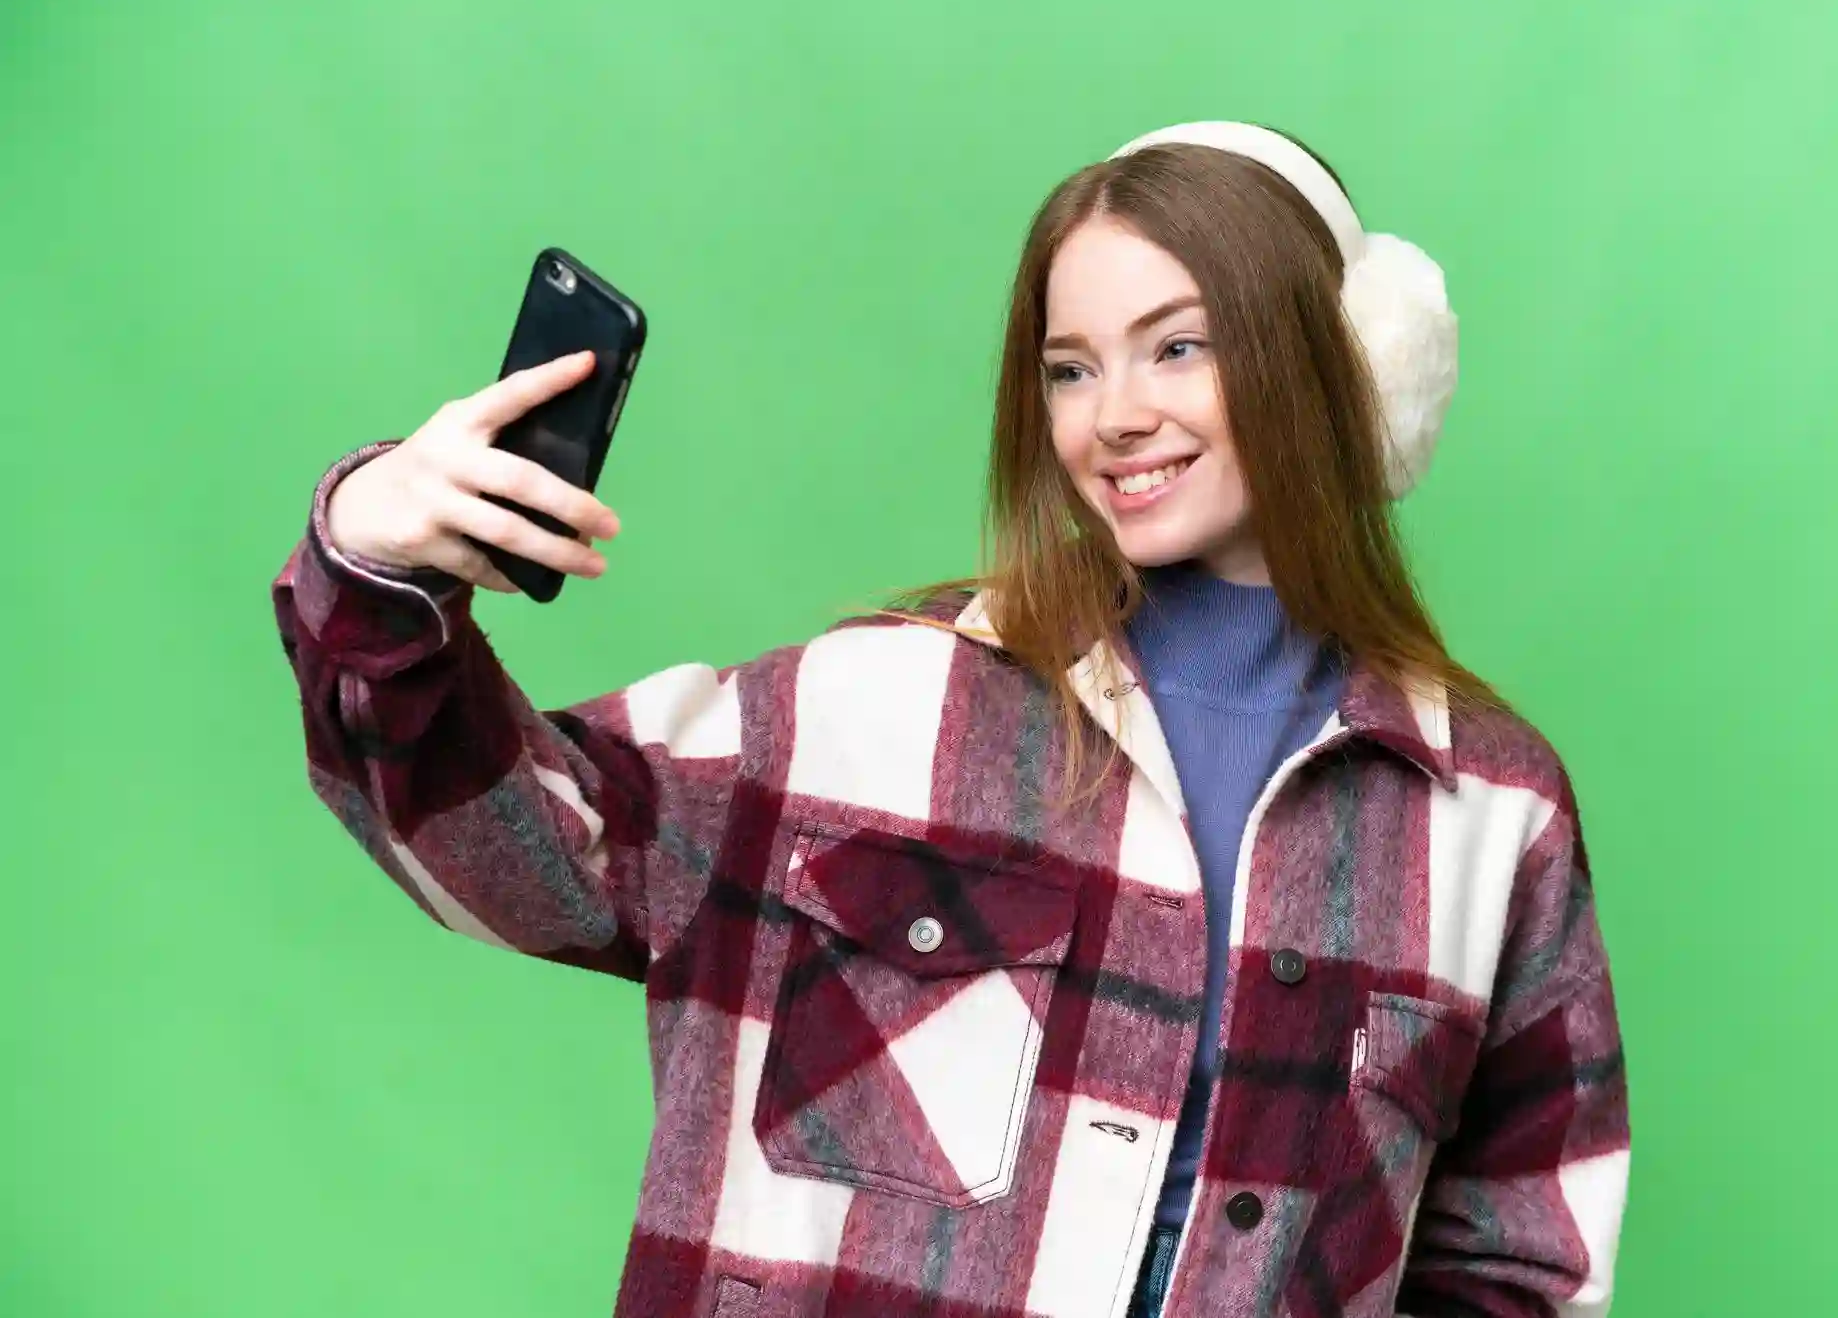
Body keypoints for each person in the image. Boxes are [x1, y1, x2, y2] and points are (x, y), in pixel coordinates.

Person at [272, 120, 1630, 1318]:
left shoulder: (1491, 815)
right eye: (1070, 368)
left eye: (1180, 345)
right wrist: (380, 573)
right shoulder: (874, 704)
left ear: (1339, 365)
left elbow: (1520, 1263)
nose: (1118, 417)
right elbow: (513, 844)